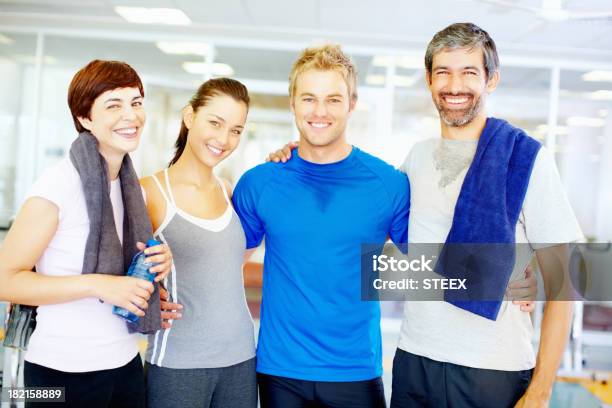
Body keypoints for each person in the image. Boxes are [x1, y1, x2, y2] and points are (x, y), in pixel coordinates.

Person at [233, 44, 536, 408]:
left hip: (356, 372)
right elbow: (226, 260)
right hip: (279, 371)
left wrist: (511, 271)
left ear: (352, 103)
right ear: (293, 103)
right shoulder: (260, 182)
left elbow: (436, 261)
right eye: (309, 99)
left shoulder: (388, 183)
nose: (320, 111)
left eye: (333, 99)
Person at [388, 23, 582, 408]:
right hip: (415, 361)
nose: (454, 86)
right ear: (429, 80)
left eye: (469, 72)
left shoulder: (526, 159)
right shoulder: (417, 157)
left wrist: (541, 391)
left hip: (493, 370)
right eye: (443, 71)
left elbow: (565, 280)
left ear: (491, 80)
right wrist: (304, 152)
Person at [0, 60, 174, 408]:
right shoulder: (58, 185)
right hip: (59, 371)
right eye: (114, 104)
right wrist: (97, 284)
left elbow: (126, 274)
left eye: (136, 102)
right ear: (84, 118)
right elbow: (6, 279)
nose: (132, 115)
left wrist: (158, 271)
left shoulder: (131, 190)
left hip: (124, 362)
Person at [141, 78, 257, 408]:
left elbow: (225, 265)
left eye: (236, 129)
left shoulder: (229, 190)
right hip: (179, 362)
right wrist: (150, 301)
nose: (224, 139)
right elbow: (121, 270)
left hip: (241, 358)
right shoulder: (150, 192)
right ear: (190, 116)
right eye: (215, 123)